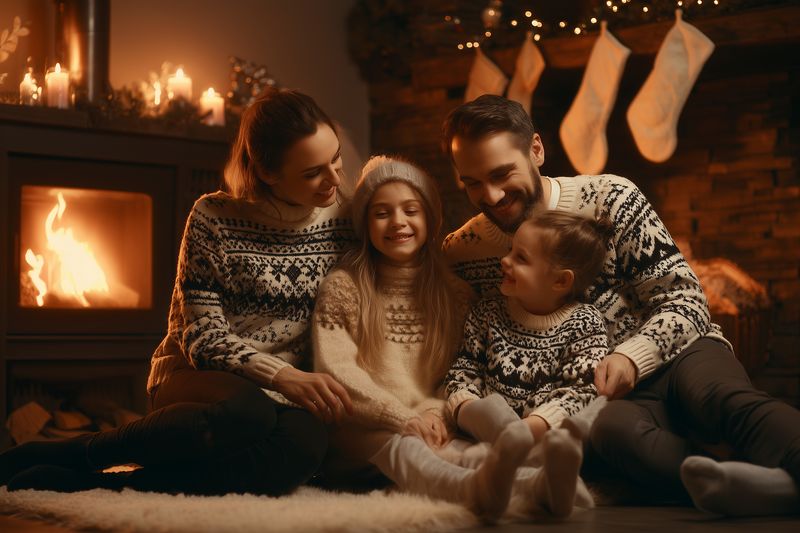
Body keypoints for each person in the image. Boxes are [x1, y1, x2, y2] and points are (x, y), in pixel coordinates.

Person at [440, 94, 800, 517]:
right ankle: (750, 485)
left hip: (680, 353)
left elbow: (686, 299)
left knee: (721, 398)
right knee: (614, 433)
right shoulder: (464, 252)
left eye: (502, 174)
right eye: (472, 182)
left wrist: (631, 356)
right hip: (606, 397)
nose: (492, 194)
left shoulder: (612, 198)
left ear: (535, 150)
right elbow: (470, 351)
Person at [0, 87, 357, 495]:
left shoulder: (344, 223)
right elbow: (201, 338)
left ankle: (110, 485)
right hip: (198, 378)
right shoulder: (214, 217)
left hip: (286, 393)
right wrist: (282, 374)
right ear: (267, 173)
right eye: (313, 172)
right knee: (248, 413)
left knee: (304, 445)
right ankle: (85, 453)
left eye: (336, 158)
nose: (334, 179)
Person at [312, 155, 537, 521]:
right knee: (408, 449)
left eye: (411, 210)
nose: (397, 222)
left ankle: (538, 483)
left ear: (430, 219)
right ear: (365, 223)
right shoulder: (345, 287)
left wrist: (437, 416)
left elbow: (461, 373)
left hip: (431, 420)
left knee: (465, 451)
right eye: (381, 213)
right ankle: (471, 492)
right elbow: (337, 371)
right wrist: (400, 416)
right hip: (360, 428)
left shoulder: (455, 294)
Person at [445, 210, 612, 518]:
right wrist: (468, 408)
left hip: (540, 436)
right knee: (452, 457)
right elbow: (463, 370)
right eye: (510, 250)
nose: (505, 261)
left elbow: (579, 393)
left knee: (560, 445)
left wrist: (529, 429)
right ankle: (534, 486)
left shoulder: (584, 323)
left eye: (520, 258)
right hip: (482, 432)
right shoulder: (488, 313)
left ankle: (548, 483)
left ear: (560, 281)